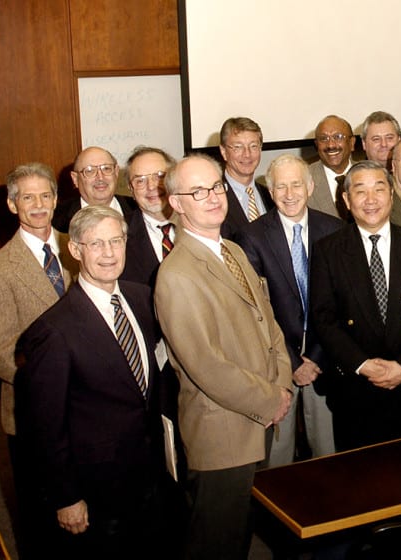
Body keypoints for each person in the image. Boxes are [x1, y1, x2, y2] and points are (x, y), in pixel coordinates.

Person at [15, 206, 175, 558]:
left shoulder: (141, 298)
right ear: (75, 250)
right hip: (98, 488)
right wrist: (66, 497)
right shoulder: (53, 331)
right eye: (97, 243)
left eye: (116, 241)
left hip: (150, 474)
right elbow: (45, 426)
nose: (109, 253)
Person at [155, 153, 293, 560]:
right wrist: (272, 399)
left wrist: (282, 381)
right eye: (198, 191)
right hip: (223, 435)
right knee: (215, 544)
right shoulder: (176, 274)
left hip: (260, 420)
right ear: (176, 204)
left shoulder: (231, 249)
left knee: (243, 535)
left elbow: (269, 324)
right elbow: (207, 366)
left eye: (216, 186)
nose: (213, 197)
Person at [0, 162, 78, 558]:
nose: (38, 205)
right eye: (27, 197)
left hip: (90, 410)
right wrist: (58, 385)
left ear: (56, 200)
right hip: (35, 415)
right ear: (12, 204)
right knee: (45, 524)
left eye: (45, 196)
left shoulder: (79, 248)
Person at [310, 160, 401, 450]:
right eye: (360, 191)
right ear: (346, 200)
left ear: (392, 195)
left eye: (379, 189)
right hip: (354, 388)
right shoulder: (328, 250)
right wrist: (363, 365)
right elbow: (324, 318)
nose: (371, 200)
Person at [239, 154, 342, 466]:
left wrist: (316, 356)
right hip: (276, 366)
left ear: (310, 186)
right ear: (270, 192)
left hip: (326, 360)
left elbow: (343, 301)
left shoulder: (335, 230)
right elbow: (256, 309)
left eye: (296, 184)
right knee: (277, 461)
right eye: (280, 186)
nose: (289, 193)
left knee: (330, 456)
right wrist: (294, 361)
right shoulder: (251, 238)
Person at [121, 146, 177, 288]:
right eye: (140, 181)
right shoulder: (119, 236)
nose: (152, 186)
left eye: (159, 176)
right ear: (131, 190)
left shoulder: (203, 223)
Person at [52, 146, 137, 232]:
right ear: (75, 179)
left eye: (106, 169)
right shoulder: (56, 219)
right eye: (89, 171)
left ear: (116, 172)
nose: (100, 177)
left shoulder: (138, 209)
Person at [218, 116, 274, 242]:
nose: (247, 154)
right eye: (238, 147)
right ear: (223, 151)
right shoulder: (214, 197)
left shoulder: (271, 195)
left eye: (253, 146)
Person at [308, 114, 355, 219]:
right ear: (316, 145)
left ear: (352, 143)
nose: (331, 145)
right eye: (323, 139)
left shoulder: (371, 174)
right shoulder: (304, 179)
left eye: (338, 137)